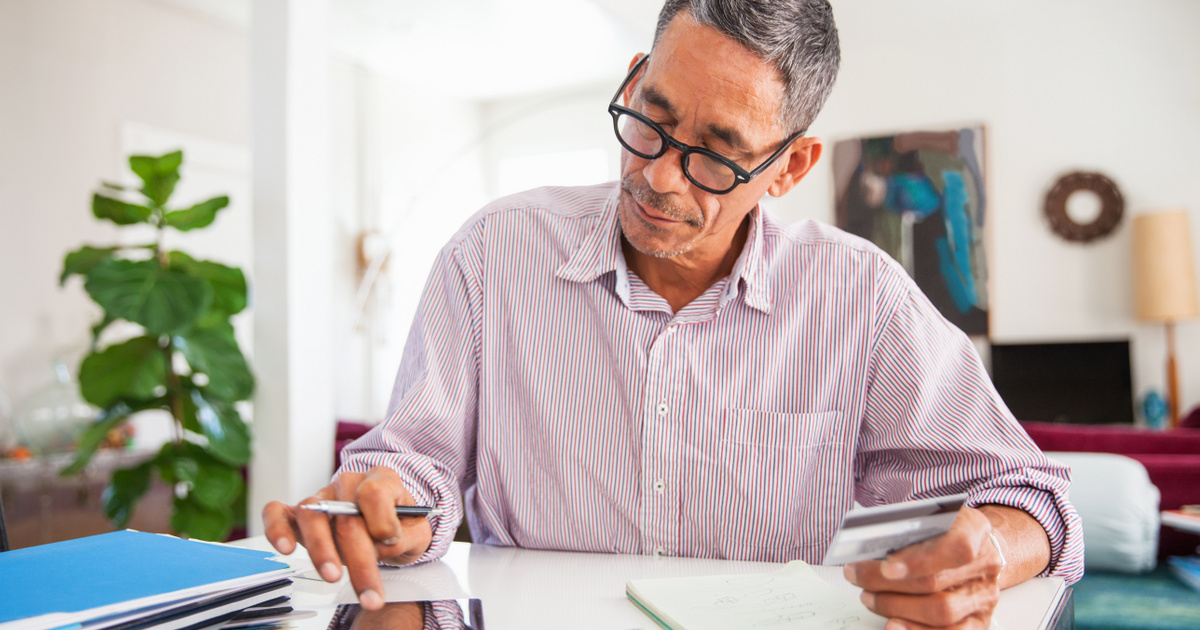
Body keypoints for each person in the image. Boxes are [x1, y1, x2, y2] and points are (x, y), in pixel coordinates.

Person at [264, 1, 1084, 628]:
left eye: (717, 154)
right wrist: (385, 502)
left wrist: (990, 544)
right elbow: (415, 464)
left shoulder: (861, 297)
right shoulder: (490, 255)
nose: (658, 177)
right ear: (632, 78)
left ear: (790, 166)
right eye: (650, 121)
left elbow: (1035, 499)